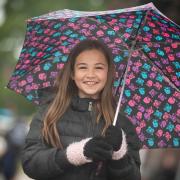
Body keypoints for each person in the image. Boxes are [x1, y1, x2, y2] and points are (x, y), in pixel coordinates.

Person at [21, 39, 141, 180]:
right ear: (72, 73)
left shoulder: (122, 123)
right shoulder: (50, 112)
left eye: (99, 67)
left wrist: (119, 155)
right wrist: (76, 154)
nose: (90, 74)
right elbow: (30, 162)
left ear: (108, 73)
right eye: (83, 67)